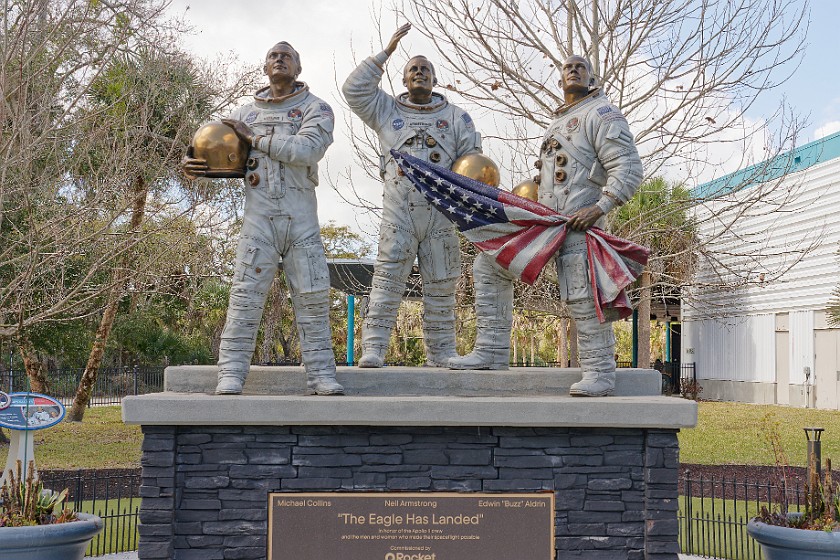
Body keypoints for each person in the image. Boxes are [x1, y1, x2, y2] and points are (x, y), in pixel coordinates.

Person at [451, 54, 643, 397]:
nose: (572, 70)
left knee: (583, 295)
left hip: (579, 224)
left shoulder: (602, 114)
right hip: (546, 222)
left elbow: (628, 168)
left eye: (580, 67)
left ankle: (600, 372)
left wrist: (599, 208)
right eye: (567, 67)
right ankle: (492, 351)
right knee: (490, 264)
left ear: (593, 79)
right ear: (559, 80)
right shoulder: (559, 122)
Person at [182, 42, 343, 396]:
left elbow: (307, 150)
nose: (280, 59)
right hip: (259, 221)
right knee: (244, 298)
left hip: (301, 219)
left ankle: (321, 375)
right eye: (273, 55)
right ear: (265, 66)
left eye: (287, 55)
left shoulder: (316, 109)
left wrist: (254, 137)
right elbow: (225, 161)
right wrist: (196, 166)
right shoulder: (243, 114)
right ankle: (231, 374)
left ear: (298, 68)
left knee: (313, 298)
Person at [342, 23, 482, 368]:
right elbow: (353, 90)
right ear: (403, 80)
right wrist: (385, 53)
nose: (419, 73)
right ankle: (373, 348)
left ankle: (442, 351)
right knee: (388, 280)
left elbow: (474, 164)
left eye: (426, 69)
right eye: (413, 69)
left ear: (435, 80)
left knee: (441, 283)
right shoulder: (386, 110)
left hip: (441, 214)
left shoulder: (456, 117)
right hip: (398, 212)